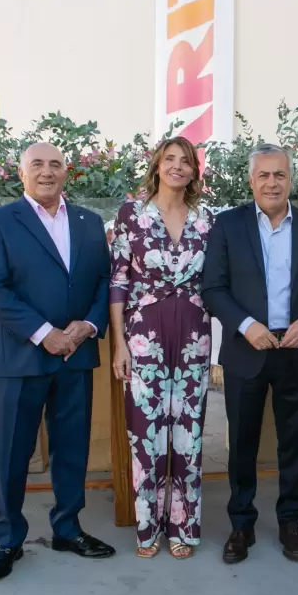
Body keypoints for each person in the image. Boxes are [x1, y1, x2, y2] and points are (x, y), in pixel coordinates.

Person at [0, 142, 116, 581]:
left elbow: (104, 283)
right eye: (37, 164)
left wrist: (87, 327)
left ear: (66, 172)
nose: (47, 172)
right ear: (22, 173)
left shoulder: (89, 223)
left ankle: (68, 529)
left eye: (55, 164)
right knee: (12, 452)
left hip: (76, 354)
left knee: (71, 448)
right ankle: (8, 539)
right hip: (20, 356)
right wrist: (45, 334)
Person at [201, 142, 298, 564]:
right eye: (263, 175)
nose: (272, 182)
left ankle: (290, 521)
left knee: (293, 442)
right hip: (247, 350)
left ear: (290, 180)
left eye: (279, 174)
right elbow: (213, 289)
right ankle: (241, 524)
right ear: (251, 180)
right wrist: (247, 326)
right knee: (241, 443)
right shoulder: (227, 225)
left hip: (296, 348)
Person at [109, 136, 215, 559]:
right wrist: (119, 344)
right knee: (146, 434)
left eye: (185, 161)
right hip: (143, 335)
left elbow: (216, 280)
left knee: (187, 434)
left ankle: (183, 525)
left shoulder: (207, 220)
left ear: (193, 171)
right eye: (169, 159)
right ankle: (147, 526)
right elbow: (117, 281)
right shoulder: (130, 215)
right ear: (156, 166)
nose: (177, 166)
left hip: (193, 335)